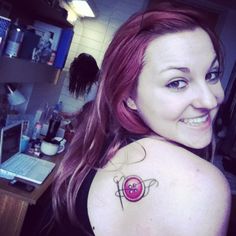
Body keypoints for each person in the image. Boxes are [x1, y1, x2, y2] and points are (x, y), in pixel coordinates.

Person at [50, 3, 231, 236]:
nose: (210, 100)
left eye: (212, 75)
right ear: (129, 97)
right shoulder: (203, 186)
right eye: (176, 82)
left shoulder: (104, 147)